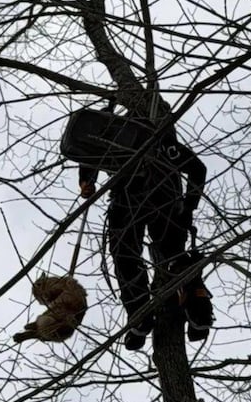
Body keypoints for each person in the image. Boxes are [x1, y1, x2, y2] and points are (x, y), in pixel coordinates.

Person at [78, 117, 213, 351]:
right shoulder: (149, 145)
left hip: (140, 200)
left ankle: (149, 311)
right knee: (168, 255)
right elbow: (197, 169)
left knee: (129, 256)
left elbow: (197, 168)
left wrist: (188, 207)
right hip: (157, 200)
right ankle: (180, 307)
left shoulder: (157, 144)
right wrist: (85, 180)